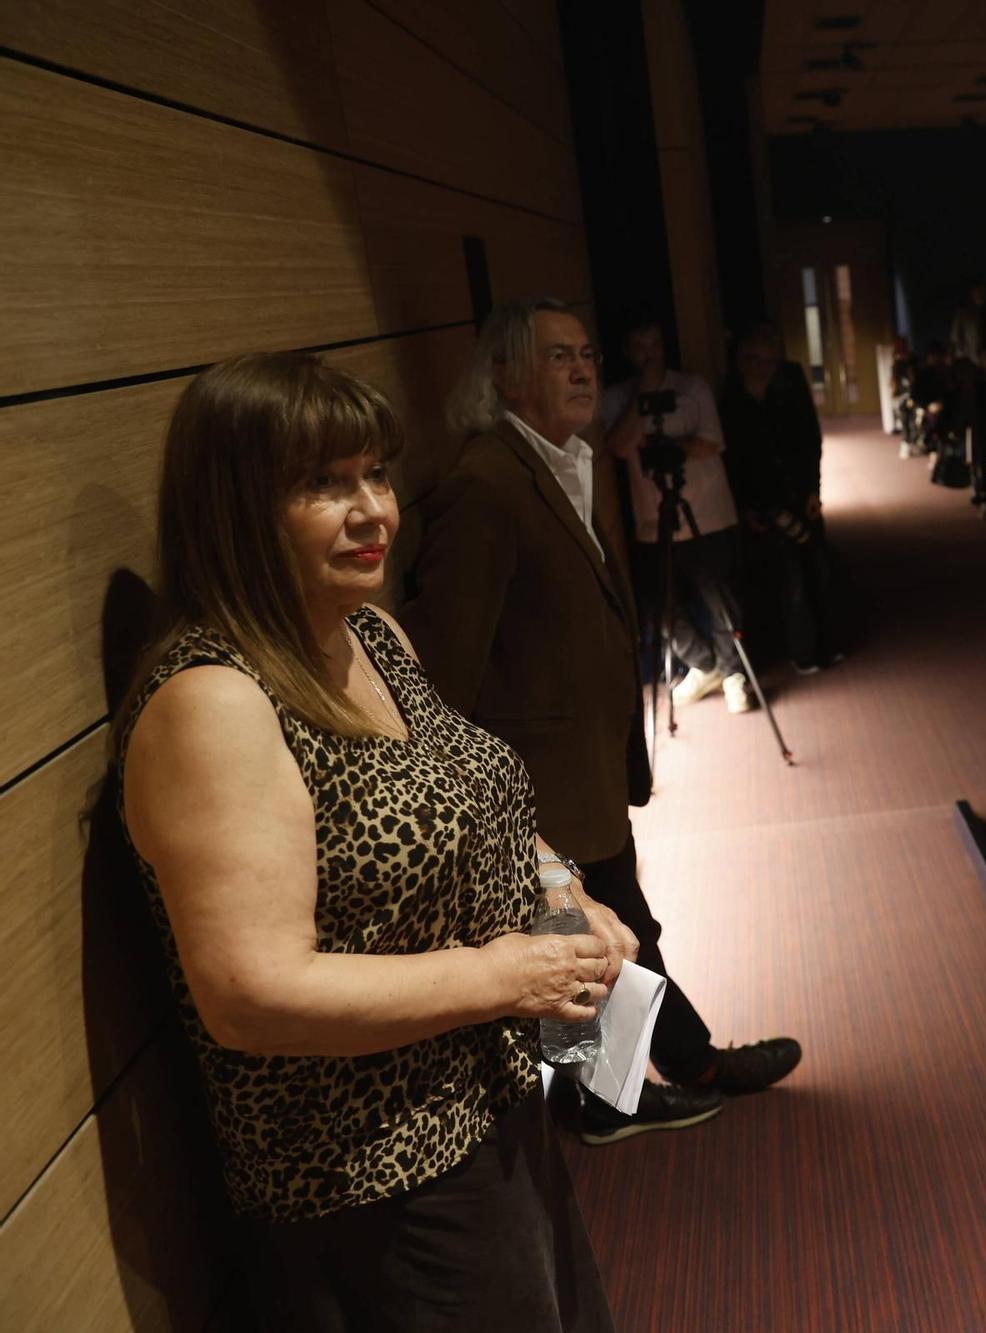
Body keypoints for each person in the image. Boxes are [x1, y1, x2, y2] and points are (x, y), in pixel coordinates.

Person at [118, 352, 617, 1327]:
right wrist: (508, 979)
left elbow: (474, 805)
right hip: (372, 1183)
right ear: (232, 506)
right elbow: (250, 995)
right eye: (321, 484)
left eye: (375, 474)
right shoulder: (213, 699)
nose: (371, 510)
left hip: (487, 1119)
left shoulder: (367, 634)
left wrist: (565, 893)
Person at [404, 299, 800, 1142]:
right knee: (592, 934)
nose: (584, 369)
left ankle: (647, 1079)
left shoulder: (557, 462)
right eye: (558, 358)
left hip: (579, 765)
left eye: (587, 353)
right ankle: (625, 1090)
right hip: (536, 778)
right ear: (505, 375)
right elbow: (442, 670)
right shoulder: (483, 484)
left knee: (616, 927)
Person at [600, 317, 754, 714]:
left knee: (719, 597)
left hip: (708, 512)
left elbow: (712, 442)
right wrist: (645, 392)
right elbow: (618, 446)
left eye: (655, 341)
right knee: (661, 605)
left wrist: (667, 445)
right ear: (626, 351)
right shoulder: (617, 397)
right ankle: (704, 665)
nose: (648, 351)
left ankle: (733, 672)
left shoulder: (692, 387)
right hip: (653, 519)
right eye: (639, 343)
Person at [719, 325, 843, 673]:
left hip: (798, 490)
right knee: (789, 579)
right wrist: (744, 505)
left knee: (819, 569)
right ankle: (804, 652)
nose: (763, 366)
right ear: (741, 359)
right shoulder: (732, 394)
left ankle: (829, 643)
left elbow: (809, 437)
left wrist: (814, 490)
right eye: (755, 359)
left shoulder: (790, 382)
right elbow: (731, 456)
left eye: (770, 359)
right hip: (762, 499)